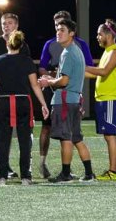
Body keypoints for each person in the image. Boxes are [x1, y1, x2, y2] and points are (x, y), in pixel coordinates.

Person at [0, 30, 49, 185]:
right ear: (21, 45)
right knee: (25, 141)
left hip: (4, 102)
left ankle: (2, 176)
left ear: (8, 44)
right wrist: (44, 104)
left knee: (2, 141)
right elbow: (34, 85)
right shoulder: (27, 61)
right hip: (23, 102)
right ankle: (25, 176)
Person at [37, 10, 94, 178]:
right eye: (57, 30)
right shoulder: (75, 50)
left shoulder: (68, 52)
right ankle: (89, 173)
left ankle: (66, 173)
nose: (58, 33)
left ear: (71, 33)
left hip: (65, 101)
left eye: (62, 30)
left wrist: (48, 82)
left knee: (66, 138)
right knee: (77, 138)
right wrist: (53, 77)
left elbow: (63, 82)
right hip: (74, 100)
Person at [0, 12, 31, 178]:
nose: (6, 26)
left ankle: (24, 169)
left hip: (18, 95)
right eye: (4, 23)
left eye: (9, 23)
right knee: (0, 132)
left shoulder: (23, 45)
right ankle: (2, 167)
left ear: (16, 25)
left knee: (22, 133)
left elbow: (28, 72)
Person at [85, 19, 116, 181]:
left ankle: (113, 171)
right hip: (103, 99)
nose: (97, 37)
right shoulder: (108, 51)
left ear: (108, 35)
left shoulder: (115, 52)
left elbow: (103, 71)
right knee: (107, 135)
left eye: (99, 34)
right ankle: (112, 170)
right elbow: (96, 74)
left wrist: (80, 65)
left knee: (110, 135)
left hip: (111, 99)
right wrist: (76, 73)